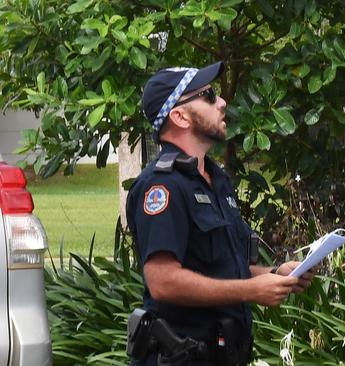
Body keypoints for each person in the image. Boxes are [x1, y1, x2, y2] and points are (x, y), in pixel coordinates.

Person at [126, 61, 314, 366]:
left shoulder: (217, 181)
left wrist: (278, 275)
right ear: (179, 115)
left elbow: (226, 267)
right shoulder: (162, 187)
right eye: (209, 95)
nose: (222, 101)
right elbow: (163, 281)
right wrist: (252, 291)